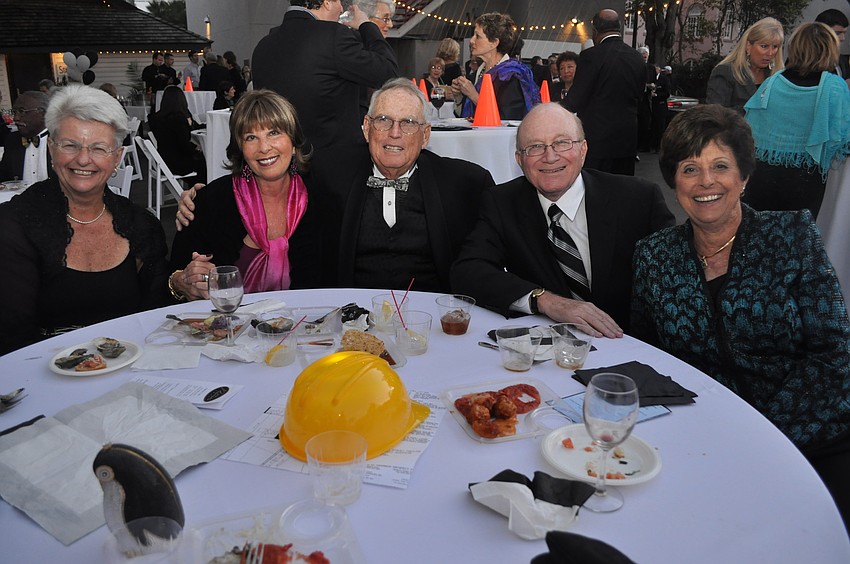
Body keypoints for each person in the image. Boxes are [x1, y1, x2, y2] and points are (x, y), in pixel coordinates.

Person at [631, 104, 850, 527]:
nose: (706, 181)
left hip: (812, 435)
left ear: (744, 177)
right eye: (690, 168)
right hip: (705, 441)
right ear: (674, 181)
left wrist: (761, 436)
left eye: (720, 166)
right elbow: (650, 356)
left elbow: (833, 355)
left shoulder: (791, 236)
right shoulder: (654, 256)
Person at [177, 78, 494, 293]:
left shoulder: (464, 184)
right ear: (367, 127)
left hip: (430, 325)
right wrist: (195, 199)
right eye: (383, 120)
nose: (394, 133)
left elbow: (505, 227)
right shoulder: (330, 174)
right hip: (349, 322)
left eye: (408, 123)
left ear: (425, 135)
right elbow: (266, 181)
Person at [450, 103, 675, 337]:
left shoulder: (637, 199)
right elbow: (467, 271)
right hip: (548, 352)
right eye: (535, 147)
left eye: (562, 143)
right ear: (519, 159)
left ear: (583, 149)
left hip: (630, 345)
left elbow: (676, 275)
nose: (550, 157)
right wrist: (544, 300)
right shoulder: (502, 203)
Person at [0, 85, 170, 355]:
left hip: (132, 375)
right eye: (70, 145)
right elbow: (12, 337)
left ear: (118, 158)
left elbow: (156, 317)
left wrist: (182, 282)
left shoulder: (140, 226)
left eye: (99, 148)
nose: (83, 159)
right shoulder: (14, 225)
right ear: (52, 150)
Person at [169, 90, 322, 300]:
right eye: (251, 137)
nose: (264, 148)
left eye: (274, 133)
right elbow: (172, 276)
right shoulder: (210, 201)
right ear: (240, 148)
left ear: (294, 143)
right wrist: (181, 282)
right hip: (227, 329)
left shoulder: (321, 201)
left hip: (306, 327)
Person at [252, 0, 398, 151]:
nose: (341, 8)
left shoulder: (263, 46)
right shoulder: (333, 36)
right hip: (333, 161)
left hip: (279, 161)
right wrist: (366, 25)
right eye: (339, 2)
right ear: (327, 2)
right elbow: (388, 72)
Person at [742, 23, 850, 220]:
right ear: (829, 49)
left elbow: (751, 128)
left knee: (757, 241)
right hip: (805, 181)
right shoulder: (834, 87)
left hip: (762, 178)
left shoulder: (773, 82)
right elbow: (843, 142)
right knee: (796, 243)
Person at [562, 9, 646, 175]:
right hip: (626, 139)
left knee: (596, 191)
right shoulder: (637, 58)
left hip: (596, 141)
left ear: (595, 31)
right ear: (619, 28)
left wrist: (557, 106)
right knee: (622, 190)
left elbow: (575, 101)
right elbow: (640, 97)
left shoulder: (590, 56)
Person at [451, 12, 540, 120]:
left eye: (477, 36)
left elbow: (508, 120)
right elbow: (467, 118)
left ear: (494, 43)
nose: (471, 40)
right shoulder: (477, 74)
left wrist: (474, 96)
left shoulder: (511, 76)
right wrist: (459, 98)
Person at [706, 17, 784, 114]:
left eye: (775, 47)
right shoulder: (726, 72)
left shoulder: (777, 78)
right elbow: (715, 116)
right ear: (748, 45)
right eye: (764, 46)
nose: (770, 53)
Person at [148, 85, 206, 183]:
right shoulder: (178, 118)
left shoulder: (156, 118)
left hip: (163, 161)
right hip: (178, 163)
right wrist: (197, 148)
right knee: (205, 163)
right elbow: (184, 144)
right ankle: (200, 193)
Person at [0, 91, 51, 184]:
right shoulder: (12, 141)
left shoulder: (59, 139)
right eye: (14, 112)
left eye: (22, 111)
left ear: (43, 114)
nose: (16, 118)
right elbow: (4, 177)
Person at [815, 9, 850, 78]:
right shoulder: (804, 60)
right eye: (837, 33)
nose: (842, 38)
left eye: (844, 33)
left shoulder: (842, 60)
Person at [649, 64, 670, 152]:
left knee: (660, 127)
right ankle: (652, 145)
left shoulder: (664, 79)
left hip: (660, 106)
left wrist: (657, 95)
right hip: (652, 106)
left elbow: (667, 93)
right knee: (653, 126)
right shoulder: (651, 79)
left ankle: (659, 146)